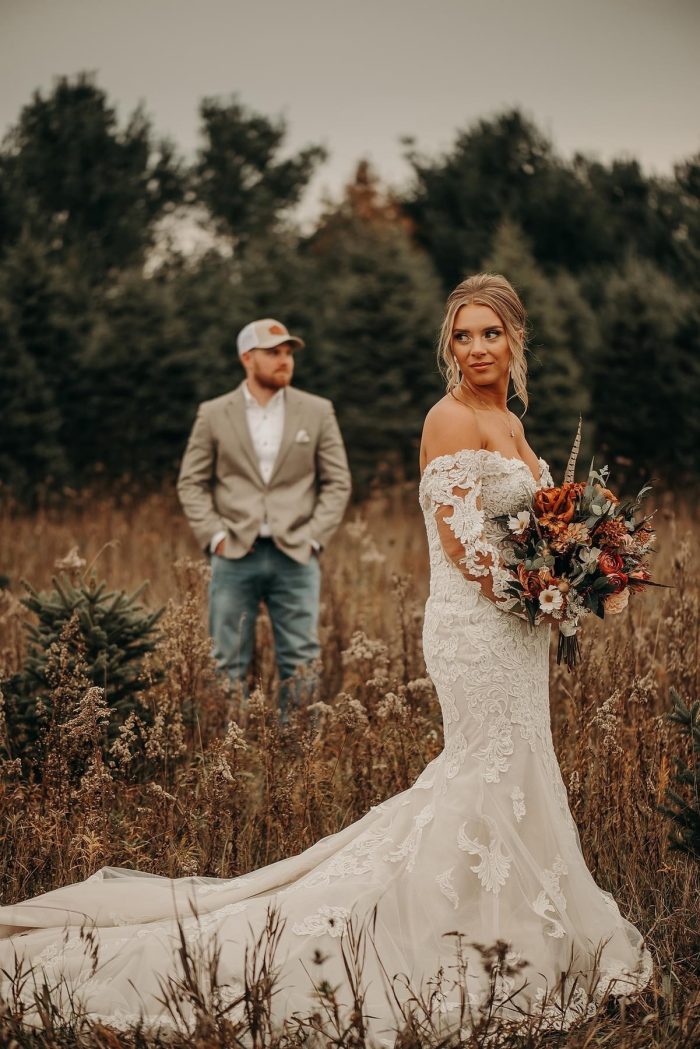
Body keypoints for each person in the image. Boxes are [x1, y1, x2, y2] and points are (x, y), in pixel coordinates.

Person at [0, 276, 651, 1040]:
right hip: (475, 630)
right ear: (451, 346)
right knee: (484, 769)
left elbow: (544, 519)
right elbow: (464, 549)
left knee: (516, 770)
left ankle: (515, 919)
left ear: (515, 340)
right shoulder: (446, 419)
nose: (477, 348)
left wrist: (584, 569)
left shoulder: (508, 419)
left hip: (519, 634)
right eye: (464, 335)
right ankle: (446, 932)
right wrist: (547, 587)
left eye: (491, 334)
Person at [176, 317, 351, 719]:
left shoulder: (318, 410)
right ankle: (229, 759)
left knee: (302, 657)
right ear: (247, 358)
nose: (284, 360)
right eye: (274, 353)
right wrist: (215, 536)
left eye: (288, 353)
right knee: (226, 658)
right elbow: (191, 482)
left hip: (296, 554)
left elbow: (338, 482)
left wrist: (314, 538)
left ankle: (296, 758)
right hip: (234, 553)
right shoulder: (214, 413)